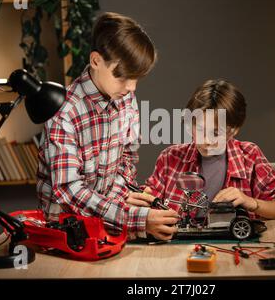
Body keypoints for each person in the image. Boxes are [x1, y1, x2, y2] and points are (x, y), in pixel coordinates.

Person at [36, 12, 179, 241]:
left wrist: (122, 194)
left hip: (110, 226)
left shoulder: (125, 97)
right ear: (96, 61)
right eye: (123, 78)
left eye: (136, 79)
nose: (131, 87)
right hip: (68, 234)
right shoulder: (63, 113)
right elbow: (68, 191)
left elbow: (128, 157)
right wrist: (136, 219)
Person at [129, 79, 275, 220]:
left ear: (234, 129)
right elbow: (149, 200)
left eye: (217, 133)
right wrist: (145, 205)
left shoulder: (250, 156)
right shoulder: (170, 158)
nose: (207, 141)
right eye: (200, 129)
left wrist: (250, 202)